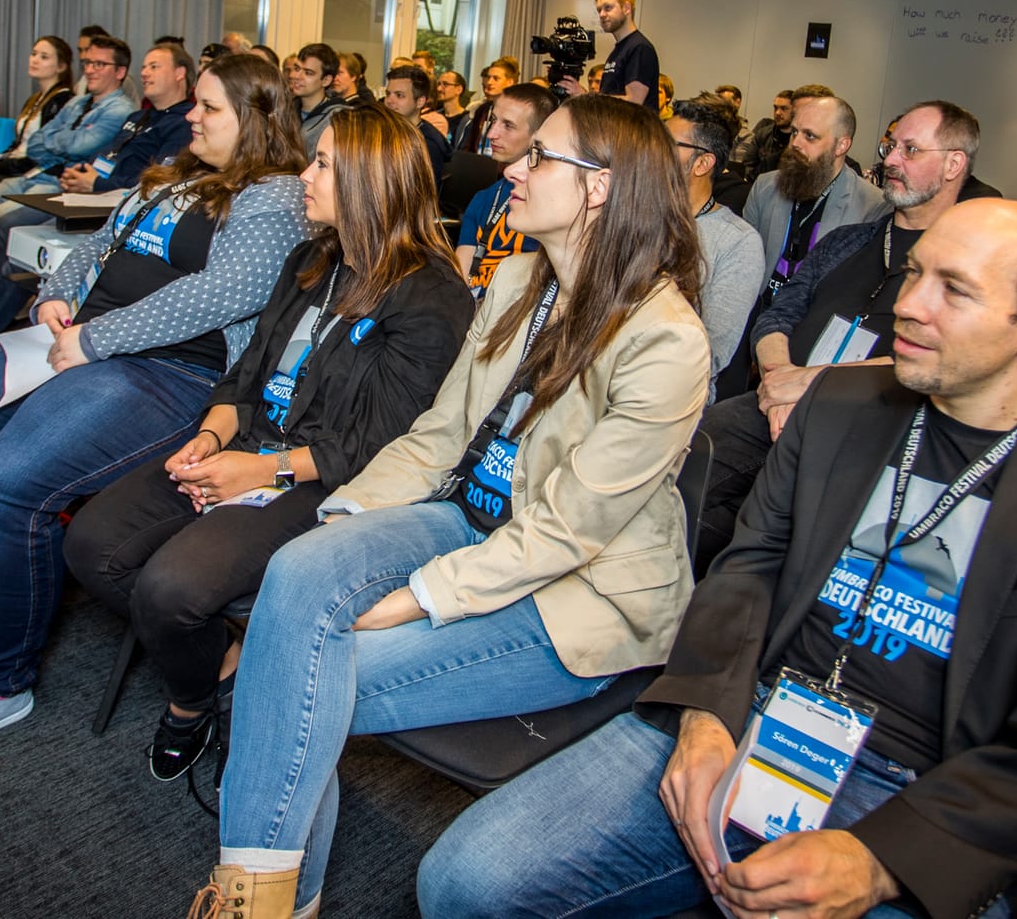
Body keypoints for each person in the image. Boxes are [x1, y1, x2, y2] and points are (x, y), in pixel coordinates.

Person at [418, 200, 1017, 919]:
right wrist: (707, 714)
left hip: (923, 793)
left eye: (954, 290)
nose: (910, 306)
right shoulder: (841, 407)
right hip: (754, 714)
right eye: (916, 273)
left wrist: (884, 860)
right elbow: (749, 567)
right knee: (462, 880)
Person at [193, 94, 710, 918]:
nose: (512, 168)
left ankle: (263, 899)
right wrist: (345, 522)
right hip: (469, 515)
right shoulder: (517, 280)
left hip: (577, 594)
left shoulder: (665, 340)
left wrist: (409, 599)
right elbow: (441, 435)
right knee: (300, 571)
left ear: (602, 188)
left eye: (540, 157)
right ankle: (269, 896)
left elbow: (565, 533)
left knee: (300, 671)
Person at [0, 54, 311, 759]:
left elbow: (222, 294)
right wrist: (59, 296)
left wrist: (97, 338)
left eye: (209, 108)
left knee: (10, 483)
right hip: (81, 342)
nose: (191, 117)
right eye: (193, 104)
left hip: (171, 372)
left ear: (257, 119)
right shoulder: (181, 173)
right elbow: (101, 242)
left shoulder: (276, 196)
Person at [62, 107, 473, 779]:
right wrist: (208, 439)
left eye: (323, 165)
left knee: (170, 588)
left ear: (372, 184)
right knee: (90, 544)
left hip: (318, 478)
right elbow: (247, 371)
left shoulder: (430, 297)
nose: (304, 177)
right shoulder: (312, 259)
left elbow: (377, 448)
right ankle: (227, 660)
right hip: (245, 444)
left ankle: (191, 704)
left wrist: (258, 472)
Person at [698, 102, 979, 564]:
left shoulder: (967, 262)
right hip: (776, 402)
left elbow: (942, 356)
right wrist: (778, 377)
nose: (890, 160)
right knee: (686, 460)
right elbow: (776, 317)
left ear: (953, 164)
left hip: (870, 426)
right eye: (891, 147)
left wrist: (807, 382)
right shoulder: (849, 241)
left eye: (911, 150)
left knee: (777, 520)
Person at [0, 35, 136, 331]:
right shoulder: (78, 101)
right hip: (40, 174)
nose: (90, 69)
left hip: (65, 187)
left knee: (2, 225)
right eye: (88, 62)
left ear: (120, 71)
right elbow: (37, 141)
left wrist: (57, 141)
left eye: (100, 64)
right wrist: (62, 141)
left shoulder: (120, 110)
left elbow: (81, 146)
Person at [741, 91, 891, 318]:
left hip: (812, 323)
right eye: (794, 132)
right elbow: (743, 261)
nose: (795, 143)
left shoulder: (872, 206)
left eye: (810, 136)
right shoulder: (764, 187)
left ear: (841, 145)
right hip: (756, 312)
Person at [670, 93, 762, 402]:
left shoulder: (738, 242)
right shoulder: (636, 216)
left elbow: (709, 355)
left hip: (671, 400)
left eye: (670, 144)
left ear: (703, 163)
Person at [454, 82, 558, 297]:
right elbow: (461, 275)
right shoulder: (484, 197)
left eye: (508, 125)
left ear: (538, 135)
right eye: (493, 121)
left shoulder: (553, 204)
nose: (492, 133)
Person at [58, 41, 196, 196]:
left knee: (30, 218)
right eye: (143, 67)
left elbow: (161, 182)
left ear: (179, 73)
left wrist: (98, 184)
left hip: (119, 205)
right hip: (91, 193)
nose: (143, 73)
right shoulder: (137, 117)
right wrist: (79, 173)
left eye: (153, 67)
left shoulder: (185, 123)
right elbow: (110, 153)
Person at [564, 0, 658, 109]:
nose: (602, 14)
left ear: (626, 8)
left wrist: (587, 97)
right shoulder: (620, 49)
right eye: (599, 10)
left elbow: (634, 101)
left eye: (608, 8)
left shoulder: (639, 47)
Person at [0, 36, 75, 159]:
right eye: (34, 54)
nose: (35, 60)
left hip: (34, 170)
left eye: (44, 57)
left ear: (61, 67)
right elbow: (19, 144)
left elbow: (45, 152)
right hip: (15, 162)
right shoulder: (34, 99)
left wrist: (3, 167)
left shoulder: (63, 100)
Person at [382, 64, 450, 178]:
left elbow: (424, 192)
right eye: (388, 94)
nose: (389, 101)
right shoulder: (387, 130)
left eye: (399, 95)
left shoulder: (428, 144)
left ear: (420, 102)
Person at [287, 43, 349, 153]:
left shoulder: (338, 119)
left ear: (326, 80)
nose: (297, 76)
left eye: (308, 73)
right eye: (296, 69)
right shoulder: (285, 110)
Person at [454, 56, 518, 155]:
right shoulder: (483, 109)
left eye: (496, 78)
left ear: (510, 82)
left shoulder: (517, 112)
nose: (489, 82)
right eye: (488, 77)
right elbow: (470, 145)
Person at [731, 89, 794, 181]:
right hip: (759, 184)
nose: (777, 113)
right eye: (775, 108)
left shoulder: (800, 140)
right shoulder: (763, 134)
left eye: (783, 108)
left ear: (795, 111)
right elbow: (749, 165)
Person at [73, 23, 110, 94]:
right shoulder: (80, 84)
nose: (82, 56)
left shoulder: (119, 79)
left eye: (87, 50)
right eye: (80, 50)